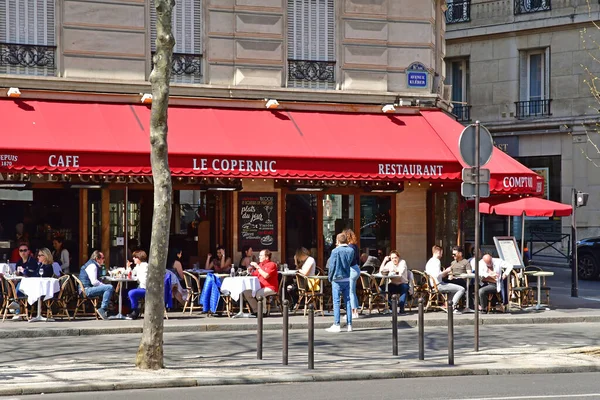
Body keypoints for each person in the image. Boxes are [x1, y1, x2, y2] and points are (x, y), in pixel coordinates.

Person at [326, 232, 354, 333]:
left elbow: (332, 266)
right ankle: (349, 324)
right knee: (348, 301)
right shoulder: (351, 250)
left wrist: (330, 277)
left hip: (337, 278)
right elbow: (350, 262)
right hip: (347, 277)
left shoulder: (335, 251)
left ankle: (337, 324)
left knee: (336, 302)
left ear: (337, 241)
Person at [425, 245, 465, 314]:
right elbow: (437, 275)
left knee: (453, 287)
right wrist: (447, 271)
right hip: (438, 285)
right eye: (441, 253)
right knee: (461, 289)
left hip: (432, 285)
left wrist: (445, 273)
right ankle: (452, 307)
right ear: (438, 252)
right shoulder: (437, 261)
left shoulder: (429, 261)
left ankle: (448, 305)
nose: (442, 255)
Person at [79, 250, 114, 320]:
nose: (104, 260)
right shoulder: (93, 266)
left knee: (107, 287)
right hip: (86, 290)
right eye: (103, 258)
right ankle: (103, 309)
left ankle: (108, 308)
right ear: (97, 259)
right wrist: (103, 285)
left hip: (85, 289)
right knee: (109, 287)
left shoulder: (92, 264)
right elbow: (94, 282)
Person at [244, 249, 278, 314]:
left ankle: (263, 312)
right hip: (260, 287)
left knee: (259, 294)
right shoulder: (260, 265)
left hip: (270, 287)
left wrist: (257, 267)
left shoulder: (272, 264)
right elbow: (254, 274)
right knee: (247, 292)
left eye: (261, 255)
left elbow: (266, 276)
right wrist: (249, 271)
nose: (259, 257)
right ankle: (257, 310)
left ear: (267, 257)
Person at [343, 229, 361, 319]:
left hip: (351, 270)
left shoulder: (349, 247)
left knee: (350, 292)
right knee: (353, 291)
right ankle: (355, 311)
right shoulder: (355, 246)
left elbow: (348, 260)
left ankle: (353, 312)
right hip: (356, 269)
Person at [126, 250, 149, 320]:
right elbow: (131, 274)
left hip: (146, 289)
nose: (133, 259)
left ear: (139, 258)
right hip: (141, 287)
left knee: (131, 293)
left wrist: (137, 278)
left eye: (135, 257)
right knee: (124, 292)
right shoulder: (138, 266)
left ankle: (135, 311)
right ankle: (131, 309)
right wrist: (128, 267)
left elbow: (144, 279)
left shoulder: (145, 266)